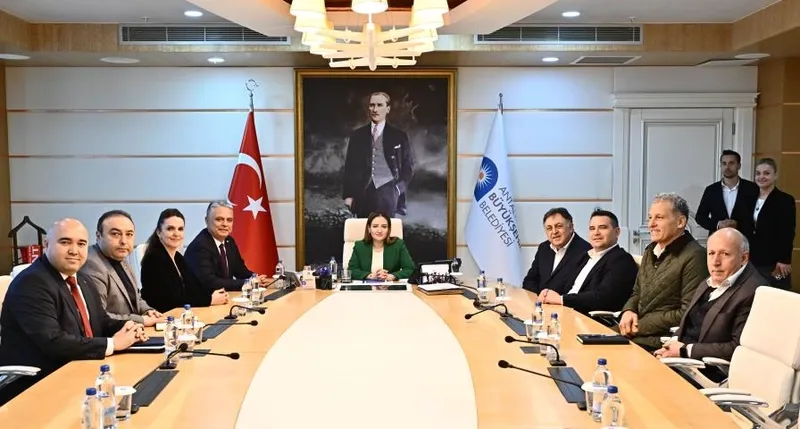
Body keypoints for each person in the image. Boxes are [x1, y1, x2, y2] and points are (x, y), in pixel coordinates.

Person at [0, 218, 145, 406]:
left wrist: (130, 328)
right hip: (38, 386)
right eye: (65, 242)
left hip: (80, 372)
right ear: (46, 245)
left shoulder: (82, 279)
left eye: (81, 244)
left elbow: (100, 320)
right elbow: (53, 341)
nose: (74, 251)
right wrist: (113, 343)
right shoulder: (31, 283)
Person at [655, 228, 767, 370]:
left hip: (705, 369)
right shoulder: (710, 280)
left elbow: (738, 347)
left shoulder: (754, 292)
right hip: (679, 358)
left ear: (744, 258)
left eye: (725, 254)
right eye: (711, 253)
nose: (715, 262)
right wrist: (671, 344)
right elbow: (689, 323)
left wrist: (685, 350)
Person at [619, 193, 708, 351]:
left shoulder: (696, 256)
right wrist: (628, 311)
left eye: (659, 217)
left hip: (661, 341)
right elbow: (637, 292)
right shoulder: (650, 250)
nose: (651, 224)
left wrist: (640, 324)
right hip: (637, 332)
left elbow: (687, 313)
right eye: (650, 217)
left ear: (681, 222)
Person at [538, 210, 638, 315]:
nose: (596, 233)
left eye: (603, 227)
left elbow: (603, 297)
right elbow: (568, 287)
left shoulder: (622, 260)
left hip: (587, 318)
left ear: (617, 232)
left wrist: (561, 299)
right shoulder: (585, 256)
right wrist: (548, 295)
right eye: (592, 228)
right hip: (565, 311)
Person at [80, 210, 165, 326]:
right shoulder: (92, 265)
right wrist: (142, 320)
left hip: (132, 330)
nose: (124, 241)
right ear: (98, 236)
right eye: (115, 234)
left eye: (129, 234)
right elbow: (99, 316)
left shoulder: (120, 256)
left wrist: (147, 311)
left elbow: (135, 298)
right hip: (113, 334)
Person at [140, 208, 229, 313]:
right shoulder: (154, 259)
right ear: (159, 233)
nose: (176, 233)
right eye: (170, 229)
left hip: (179, 315)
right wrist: (209, 299)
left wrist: (214, 294)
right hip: (163, 318)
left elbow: (195, 288)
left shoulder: (178, 257)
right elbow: (171, 300)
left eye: (180, 229)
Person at [342, 91, 414, 218]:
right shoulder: (357, 136)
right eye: (372, 105)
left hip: (389, 194)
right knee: (364, 228)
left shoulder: (399, 136)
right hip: (363, 193)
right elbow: (350, 167)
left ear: (388, 109)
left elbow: (408, 167)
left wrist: (398, 189)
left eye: (379, 105)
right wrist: (348, 195)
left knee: (385, 228)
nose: (375, 109)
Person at [184, 201, 269, 292]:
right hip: (204, 299)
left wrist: (256, 278)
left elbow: (240, 271)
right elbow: (211, 283)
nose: (225, 224)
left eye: (229, 220)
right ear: (207, 221)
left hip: (224, 297)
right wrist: (248, 283)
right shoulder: (199, 247)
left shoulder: (229, 241)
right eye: (219, 219)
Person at [749, 158, 795, 290]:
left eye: (766, 173)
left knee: (776, 296)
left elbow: (787, 232)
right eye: (758, 173)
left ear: (775, 175)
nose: (761, 177)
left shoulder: (785, 200)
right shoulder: (748, 198)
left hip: (774, 262)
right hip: (750, 260)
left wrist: (784, 260)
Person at [522, 207, 592, 295]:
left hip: (565, 303)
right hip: (538, 302)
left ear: (571, 227)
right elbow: (530, 280)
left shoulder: (586, 251)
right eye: (549, 228)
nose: (554, 232)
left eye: (559, 226)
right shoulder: (543, 248)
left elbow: (581, 290)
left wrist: (554, 299)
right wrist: (540, 297)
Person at [695, 150, 759, 241]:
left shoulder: (752, 188)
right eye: (724, 163)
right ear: (721, 166)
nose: (727, 167)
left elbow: (758, 217)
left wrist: (739, 225)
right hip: (718, 240)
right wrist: (718, 225)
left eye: (731, 163)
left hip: (745, 240)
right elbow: (700, 217)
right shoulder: (711, 190)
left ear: (739, 166)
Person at [347, 212, 415, 280]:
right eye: (375, 226)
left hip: (390, 285)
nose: (379, 230)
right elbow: (352, 270)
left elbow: (410, 269)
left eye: (384, 226)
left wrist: (391, 276)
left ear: (388, 229)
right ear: (369, 228)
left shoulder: (398, 244)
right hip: (366, 286)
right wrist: (369, 276)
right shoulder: (360, 246)